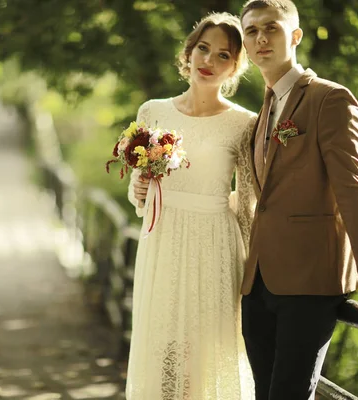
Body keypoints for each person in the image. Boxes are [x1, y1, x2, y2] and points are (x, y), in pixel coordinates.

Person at [238, 1, 358, 399]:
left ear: (294, 37)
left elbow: (353, 191)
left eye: (270, 28)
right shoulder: (263, 111)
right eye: (251, 31)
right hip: (258, 284)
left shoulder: (331, 99)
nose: (260, 38)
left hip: (310, 281)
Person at [125, 12, 257, 400]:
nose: (208, 61)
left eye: (222, 56)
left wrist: (253, 273)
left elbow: (247, 200)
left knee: (205, 351)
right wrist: (139, 187)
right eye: (203, 49)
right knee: (163, 343)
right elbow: (139, 191)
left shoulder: (244, 124)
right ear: (189, 52)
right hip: (163, 238)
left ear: (235, 67)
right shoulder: (153, 111)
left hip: (215, 244)